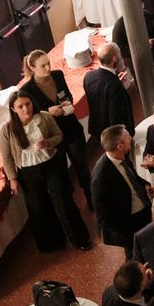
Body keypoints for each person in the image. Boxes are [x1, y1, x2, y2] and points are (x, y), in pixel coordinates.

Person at [0, 91, 90, 251]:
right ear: (13, 109)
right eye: (20, 106)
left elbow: (59, 135)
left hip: (51, 165)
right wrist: (13, 179)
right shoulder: (6, 129)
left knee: (63, 202)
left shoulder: (44, 117)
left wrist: (48, 142)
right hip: (27, 172)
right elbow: (6, 156)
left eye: (28, 104)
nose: (26, 109)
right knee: (39, 207)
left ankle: (80, 239)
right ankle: (52, 243)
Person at [20, 50, 92, 208]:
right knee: (61, 176)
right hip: (51, 135)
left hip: (71, 128)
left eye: (48, 63)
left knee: (82, 168)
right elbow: (30, 115)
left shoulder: (58, 75)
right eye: (43, 66)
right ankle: (72, 207)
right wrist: (48, 111)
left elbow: (68, 96)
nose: (48, 68)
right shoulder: (27, 90)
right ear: (32, 68)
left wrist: (67, 103)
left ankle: (91, 200)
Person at [92, 124, 154, 257]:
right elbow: (103, 215)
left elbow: (132, 177)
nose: (131, 138)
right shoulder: (100, 177)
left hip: (142, 212)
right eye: (127, 136)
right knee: (136, 255)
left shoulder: (121, 156)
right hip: (129, 224)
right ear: (120, 146)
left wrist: (145, 185)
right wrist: (125, 237)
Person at [84, 42, 134, 138]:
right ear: (114, 58)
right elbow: (116, 115)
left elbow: (102, 92)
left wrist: (116, 80)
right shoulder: (114, 85)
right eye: (119, 54)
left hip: (97, 128)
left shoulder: (88, 76)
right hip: (113, 135)